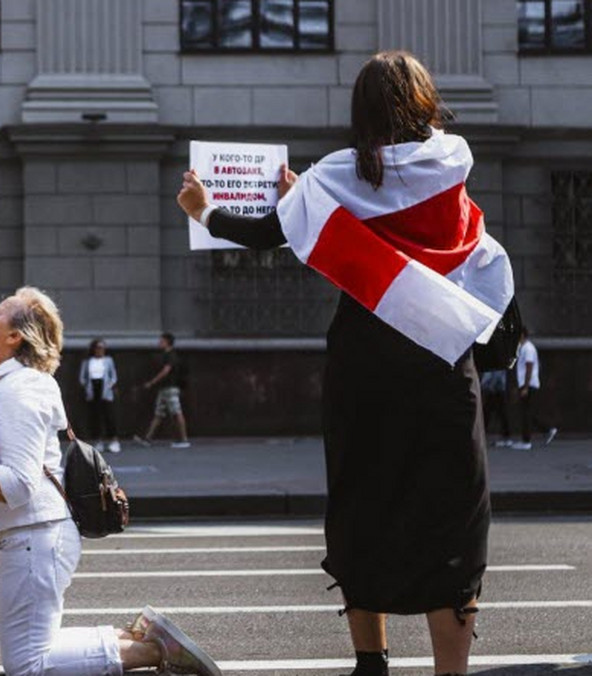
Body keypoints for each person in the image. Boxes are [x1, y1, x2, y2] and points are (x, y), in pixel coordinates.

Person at [177, 51, 514, 676]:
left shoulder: (338, 174)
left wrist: (203, 209)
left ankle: (372, 662)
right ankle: (452, 670)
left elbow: (263, 235)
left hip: (367, 368)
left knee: (364, 499)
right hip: (443, 365)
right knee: (453, 515)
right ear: (424, 101)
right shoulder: (453, 166)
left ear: (360, 110)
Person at [0, 287, 220, 676]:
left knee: (28, 664)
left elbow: (17, 486)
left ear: (15, 336)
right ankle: (137, 640)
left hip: (34, 536)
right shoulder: (9, 385)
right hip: (30, 536)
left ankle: (152, 651)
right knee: (33, 653)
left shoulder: (20, 388)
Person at [136, 333, 191, 448]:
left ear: (167, 342)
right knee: (159, 413)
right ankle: (147, 438)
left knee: (176, 412)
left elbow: (165, 371)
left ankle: (184, 439)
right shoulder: (168, 355)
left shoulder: (170, 355)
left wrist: (152, 382)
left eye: (161, 341)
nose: (159, 343)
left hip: (170, 388)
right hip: (165, 388)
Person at [513, 327, 558, 451]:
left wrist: (526, 387)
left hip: (529, 384)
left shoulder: (528, 348)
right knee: (528, 413)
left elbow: (529, 366)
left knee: (526, 413)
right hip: (526, 384)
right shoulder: (523, 348)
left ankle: (526, 441)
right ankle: (548, 429)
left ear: (522, 334)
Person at [79, 338, 122, 453]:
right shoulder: (87, 361)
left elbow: (113, 376)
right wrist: (86, 386)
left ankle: (114, 440)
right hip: (93, 389)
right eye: (98, 348)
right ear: (93, 349)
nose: (100, 350)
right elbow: (82, 377)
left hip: (105, 389)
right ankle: (99, 441)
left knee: (109, 415)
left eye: (102, 348)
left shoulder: (108, 360)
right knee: (96, 417)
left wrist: (110, 385)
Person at [479, 370, 512, 447]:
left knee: (488, 413)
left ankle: (482, 436)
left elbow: (493, 375)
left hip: (495, 389)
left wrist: (484, 385)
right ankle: (506, 436)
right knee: (498, 413)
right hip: (498, 388)